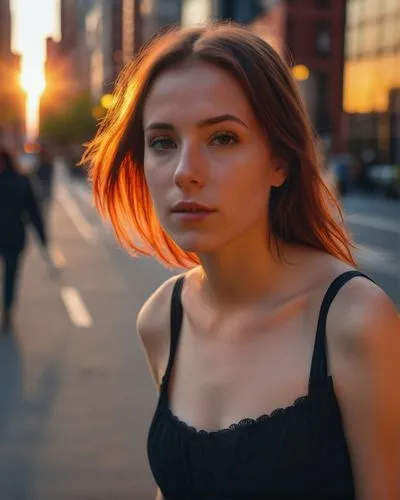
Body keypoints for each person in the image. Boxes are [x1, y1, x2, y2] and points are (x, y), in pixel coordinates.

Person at [83, 24, 400, 500]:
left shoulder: (353, 320)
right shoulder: (161, 319)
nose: (186, 172)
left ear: (280, 161)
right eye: (163, 142)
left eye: (223, 138)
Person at [0, 148, 47, 333]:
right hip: (15, 236)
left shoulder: (21, 181)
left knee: (10, 276)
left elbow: (33, 211)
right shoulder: (21, 181)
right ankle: (7, 310)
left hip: (13, 238)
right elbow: (33, 211)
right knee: (11, 276)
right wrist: (42, 237)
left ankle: (7, 311)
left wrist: (42, 237)